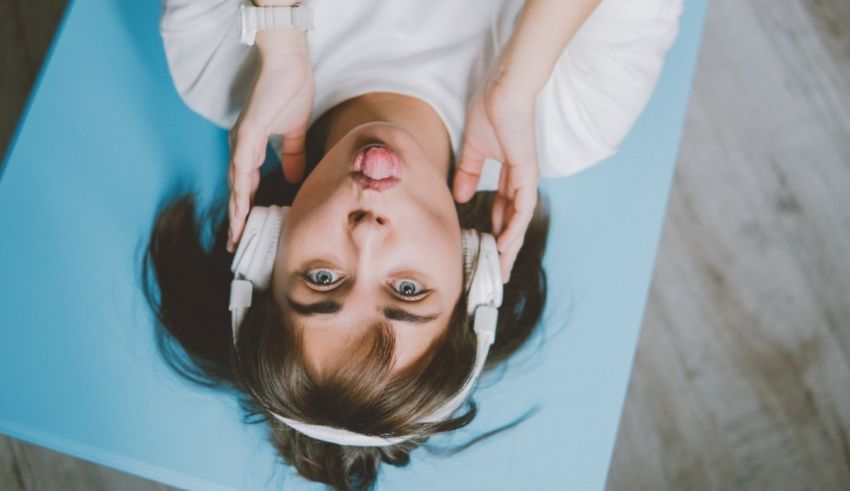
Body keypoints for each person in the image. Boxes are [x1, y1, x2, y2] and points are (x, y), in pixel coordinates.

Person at [146, 0, 682, 489]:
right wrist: (519, 78)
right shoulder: (577, 119)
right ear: (473, 275)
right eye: (406, 289)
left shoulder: (215, 65)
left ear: (267, 249)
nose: (367, 236)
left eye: (322, 279)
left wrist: (278, 31)